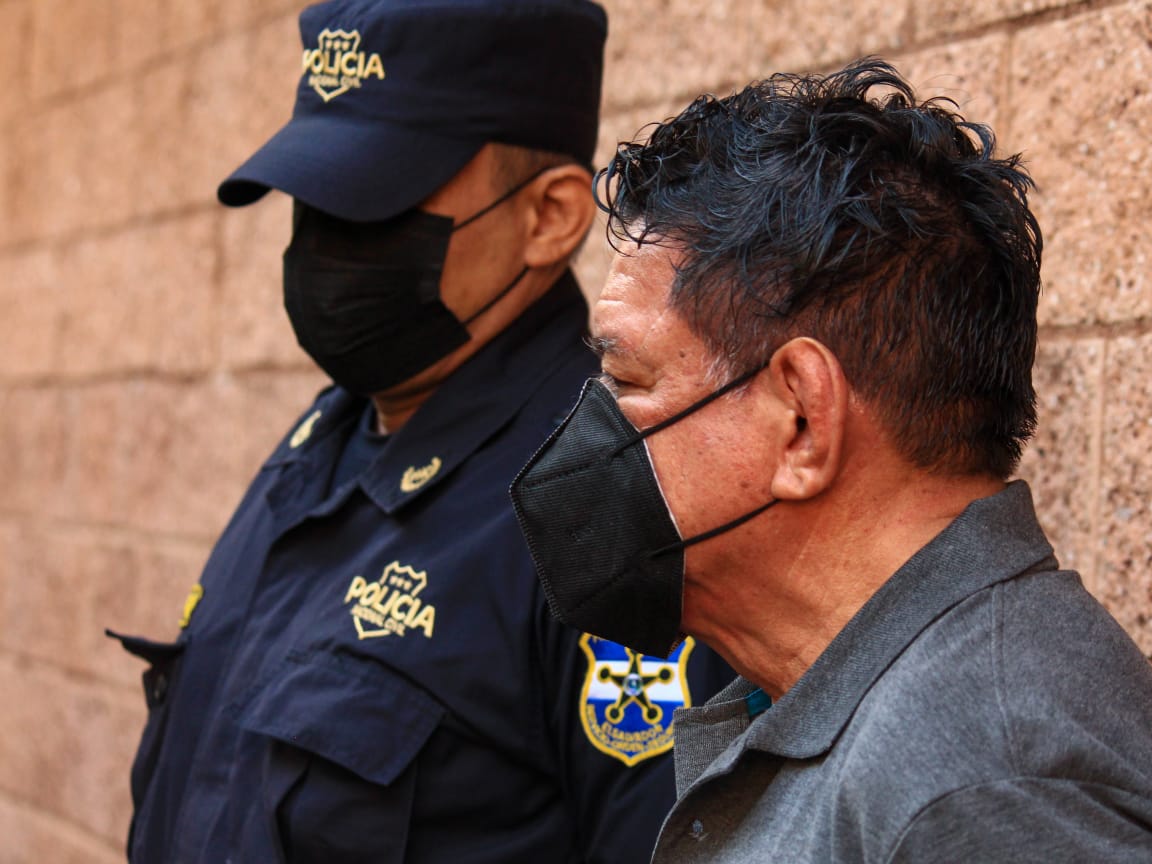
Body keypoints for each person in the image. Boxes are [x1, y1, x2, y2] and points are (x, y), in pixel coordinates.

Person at [510, 58, 1152, 862]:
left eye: (628, 380)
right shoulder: (874, 707)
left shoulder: (988, 782)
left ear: (801, 421)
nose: (590, 426)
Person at [108, 1, 732, 861]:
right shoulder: (325, 439)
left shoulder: (606, 505)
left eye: (373, 201)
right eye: (310, 197)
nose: (323, 243)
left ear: (549, 216)